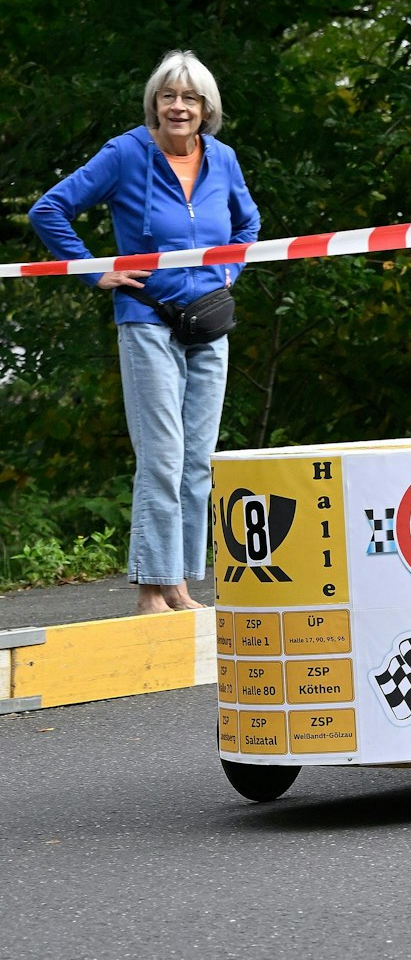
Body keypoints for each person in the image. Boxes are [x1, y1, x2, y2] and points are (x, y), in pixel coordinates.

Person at [29, 50, 259, 616]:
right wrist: (94, 270)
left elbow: (248, 224)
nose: (179, 107)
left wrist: (229, 270)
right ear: (155, 103)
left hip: (209, 321)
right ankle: (151, 591)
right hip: (147, 318)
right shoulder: (126, 153)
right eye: (168, 96)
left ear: (206, 108)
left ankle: (179, 586)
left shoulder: (223, 159)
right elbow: (48, 210)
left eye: (190, 98)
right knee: (162, 457)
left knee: (198, 460)